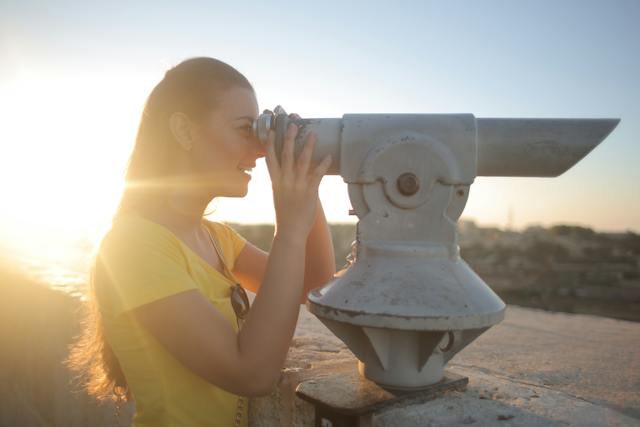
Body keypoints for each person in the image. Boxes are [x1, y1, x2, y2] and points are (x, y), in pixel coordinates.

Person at [65, 57, 336, 427]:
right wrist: (289, 229)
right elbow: (251, 374)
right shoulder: (132, 245)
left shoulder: (216, 237)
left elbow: (313, 286)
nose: (260, 150)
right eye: (246, 129)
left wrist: (305, 177)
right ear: (184, 130)